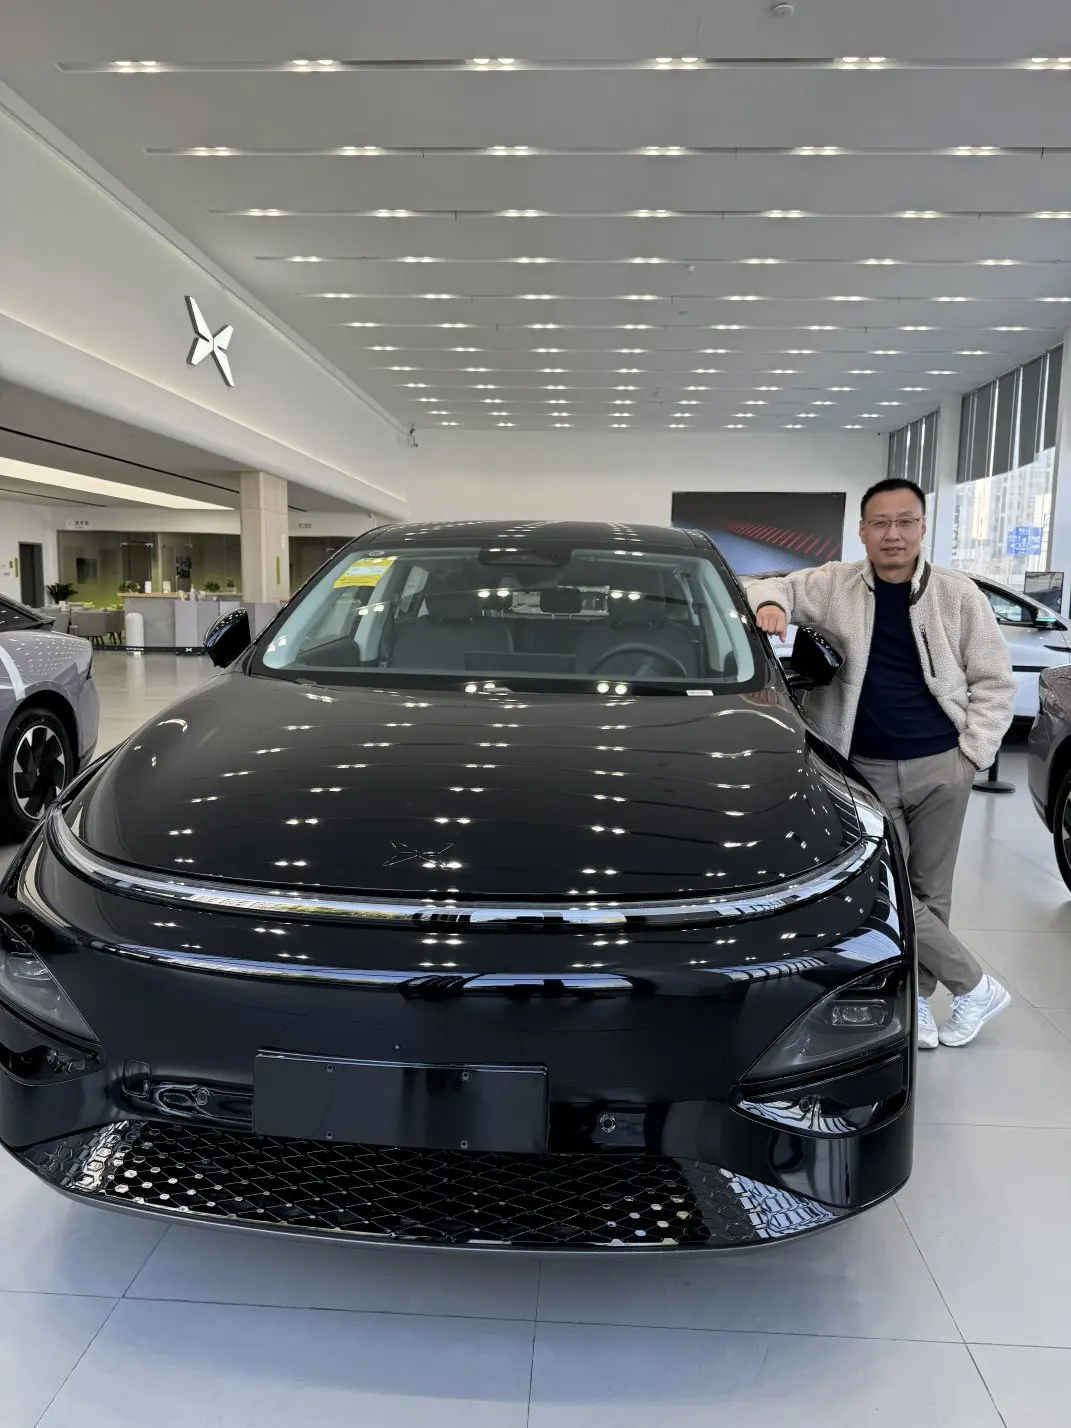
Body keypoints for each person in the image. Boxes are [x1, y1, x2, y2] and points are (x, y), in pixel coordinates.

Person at [747, 477, 1016, 1049]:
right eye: (881, 523)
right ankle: (974, 984)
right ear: (863, 530)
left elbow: (995, 681)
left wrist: (974, 754)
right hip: (864, 769)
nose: (893, 534)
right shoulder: (835, 583)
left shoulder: (957, 594)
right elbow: (767, 586)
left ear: (922, 527)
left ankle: (917, 998)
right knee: (887, 888)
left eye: (905, 521)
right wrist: (773, 604)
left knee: (931, 890)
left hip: (941, 764)